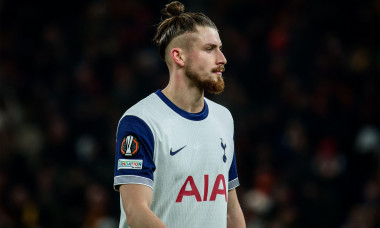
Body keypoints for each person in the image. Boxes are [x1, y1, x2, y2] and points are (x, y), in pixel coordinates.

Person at [113, 1, 246, 227]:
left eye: (220, 48)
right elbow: (136, 212)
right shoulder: (140, 122)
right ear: (179, 56)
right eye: (209, 49)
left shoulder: (224, 118)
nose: (222, 59)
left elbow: (230, 210)